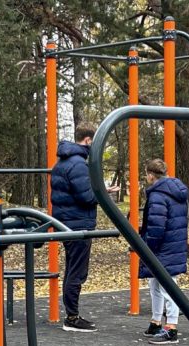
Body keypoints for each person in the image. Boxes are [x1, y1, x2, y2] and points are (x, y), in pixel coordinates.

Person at [51, 122, 119, 332]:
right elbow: (87, 197)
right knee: (77, 272)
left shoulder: (63, 162)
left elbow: (77, 191)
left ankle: (71, 315)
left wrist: (101, 189)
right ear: (88, 140)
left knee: (73, 269)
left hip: (67, 222)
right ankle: (72, 317)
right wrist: (103, 193)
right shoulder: (79, 164)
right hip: (78, 224)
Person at [139, 159, 188, 345]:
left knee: (167, 286)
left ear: (151, 175)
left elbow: (156, 226)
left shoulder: (158, 195)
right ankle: (156, 321)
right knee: (155, 283)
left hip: (162, 247)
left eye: (146, 174)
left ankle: (171, 327)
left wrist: (147, 247)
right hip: (173, 243)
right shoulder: (176, 191)